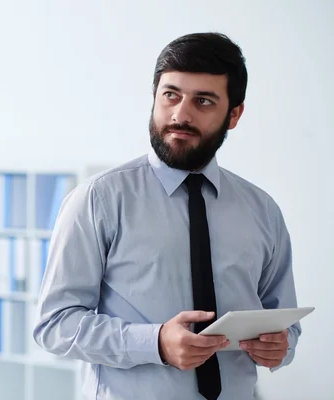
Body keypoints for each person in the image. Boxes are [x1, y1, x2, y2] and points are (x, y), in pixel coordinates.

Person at [32, 32, 301, 400]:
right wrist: (155, 342)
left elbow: (284, 319)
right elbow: (54, 325)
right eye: (170, 95)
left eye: (203, 101)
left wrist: (280, 348)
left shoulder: (262, 210)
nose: (180, 114)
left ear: (233, 114)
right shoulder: (98, 200)